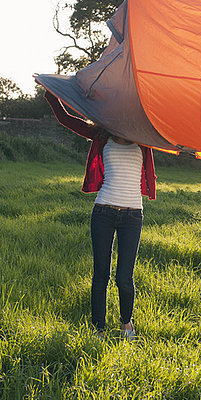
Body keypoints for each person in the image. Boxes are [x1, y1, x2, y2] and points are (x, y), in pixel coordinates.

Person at [44, 91, 156, 340]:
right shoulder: (100, 135)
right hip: (103, 211)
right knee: (101, 275)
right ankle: (99, 329)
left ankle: (127, 324)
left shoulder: (145, 138)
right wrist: (51, 93)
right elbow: (65, 118)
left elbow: (174, 135)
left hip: (132, 216)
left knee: (124, 278)